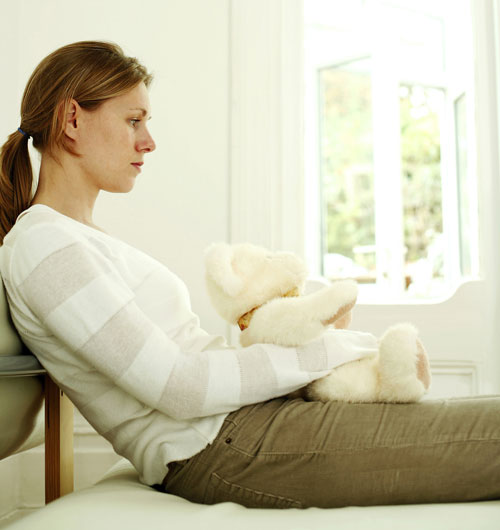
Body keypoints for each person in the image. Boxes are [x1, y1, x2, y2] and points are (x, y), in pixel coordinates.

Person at [0, 41, 498, 509]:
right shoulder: (44, 246)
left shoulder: (76, 239)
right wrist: (321, 355)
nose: (148, 142)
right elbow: (179, 386)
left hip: (241, 428)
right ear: (71, 119)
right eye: (133, 121)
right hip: (221, 447)